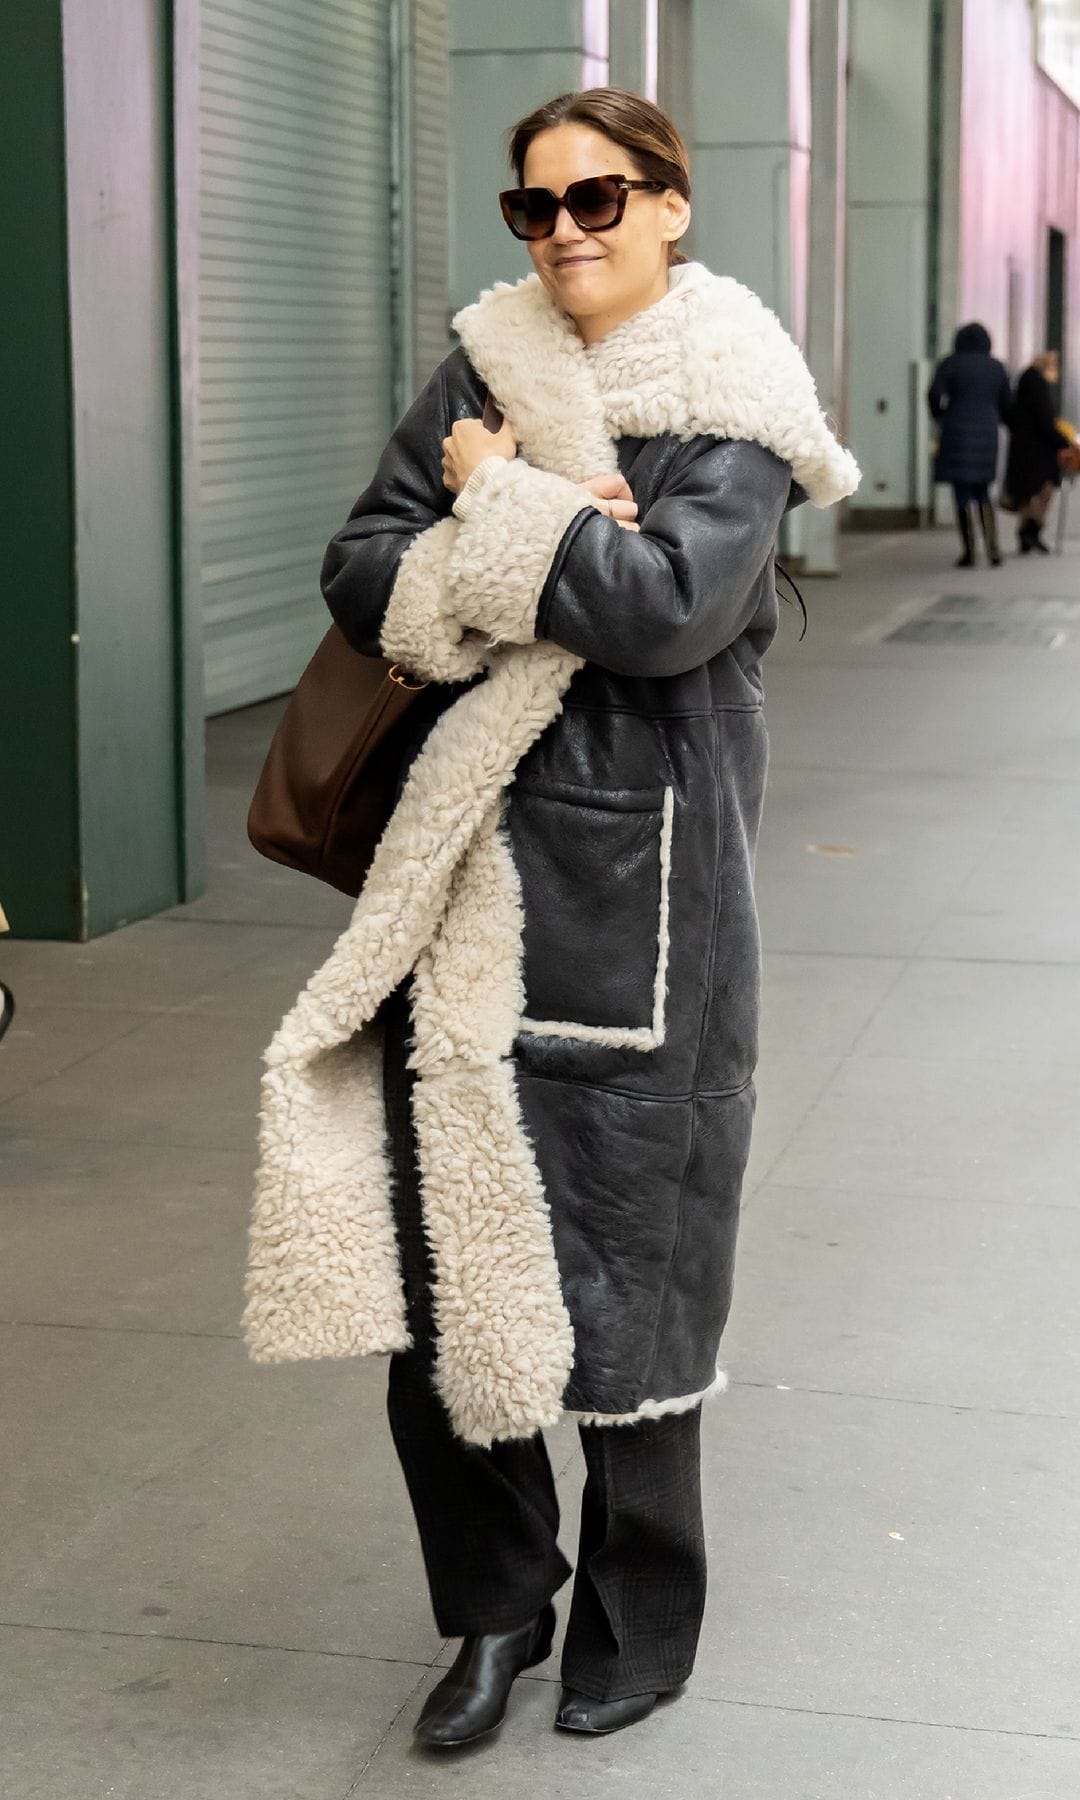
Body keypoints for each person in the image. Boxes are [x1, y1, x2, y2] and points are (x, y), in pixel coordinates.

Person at [244, 88, 858, 1747]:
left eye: (599, 198)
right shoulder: (481, 370)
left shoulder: (734, 408)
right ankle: (497, 1615)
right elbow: (361, 566)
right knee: (454, 1292)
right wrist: (522, 536)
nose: (566, 230)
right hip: (456, 901)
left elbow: (662, 613)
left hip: (644, 903)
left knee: (633, 1289)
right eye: (536, 207)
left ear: (671, 205)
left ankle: (636, 1623)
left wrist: (498, 506)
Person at [928, 323, 1011, 567]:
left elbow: (934, 394)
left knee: (962, 492)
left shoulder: (950, 363)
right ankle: (994, 550)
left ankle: (970, 552)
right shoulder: (996, 367)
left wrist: (941, 416)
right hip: (987, 431)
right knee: (983, 490)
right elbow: (1008, 401)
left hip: (955, 431)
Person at [1005, 351, 1072, 553]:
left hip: (1021, 447)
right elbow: (1045, 422)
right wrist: (1064, 442)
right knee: (1046, 488)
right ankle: (1032, 530)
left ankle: (1026, 534)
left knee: (1026, 494)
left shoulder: (1022, 387)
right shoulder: (1039, 389)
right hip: (1039, 450)